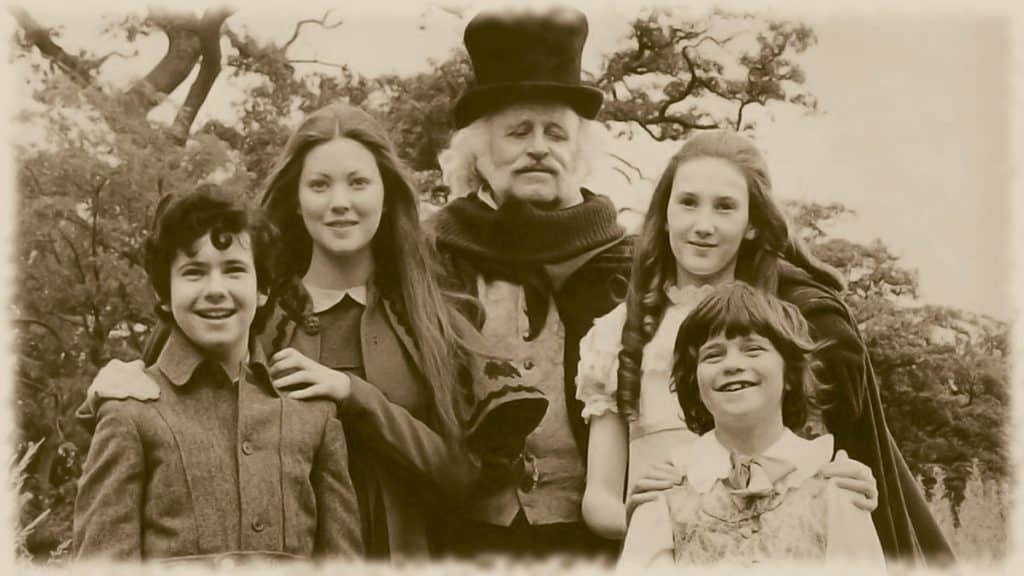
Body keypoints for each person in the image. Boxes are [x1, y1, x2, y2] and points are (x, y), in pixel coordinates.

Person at [79, 103, 542, 560]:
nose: (339, 202)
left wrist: (354, 396)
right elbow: (160, 416)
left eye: (358, 182)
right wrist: (107, 386)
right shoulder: (248, 309)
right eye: (319, 184)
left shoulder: (431, 318)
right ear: (297, 200)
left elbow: (463, 476)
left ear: (386, 194)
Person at [578, 130, 953, 565]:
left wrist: (850, 490)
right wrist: (660, 520)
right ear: (663, 214)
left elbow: (821, 456)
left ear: (752, 222)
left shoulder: (791, 323)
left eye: (725, 207)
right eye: (687, 202)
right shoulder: (615, 334)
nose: (703, 225)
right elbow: (598, 497)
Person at [73, 189, 363, 563]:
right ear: (164, 293)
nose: (215, 290)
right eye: (193, 272)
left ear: (262, 290)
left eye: (234, 269)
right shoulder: (129, 412)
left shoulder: (312, 411)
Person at [619, 283, 886, 569]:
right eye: (713, 355)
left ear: (791, 374)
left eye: (753, 349)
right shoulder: (666, 492)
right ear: (694, 384)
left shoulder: (836, 486)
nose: (732, 364)